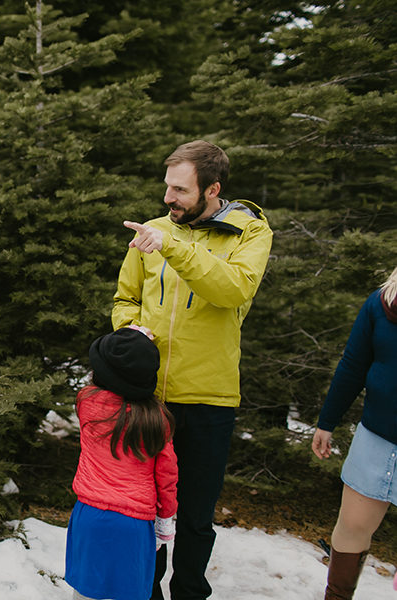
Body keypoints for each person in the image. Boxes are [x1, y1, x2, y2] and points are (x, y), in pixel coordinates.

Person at [112, 140, 273, 600]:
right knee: (145, 508)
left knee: (195, 513)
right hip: (148, 396)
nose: (168, 199)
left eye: (180, 190)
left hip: (208, 398)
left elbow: (232, 290)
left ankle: (188, 592)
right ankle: (144, 591)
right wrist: (131, 335)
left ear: (212, 189)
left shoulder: (249, 232)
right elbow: (126, 297)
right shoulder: (153, 230)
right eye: (167, 187)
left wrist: (173, 247)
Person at [65, 327, 178, 600]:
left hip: (89, 515)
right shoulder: (157, 420)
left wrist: (127, 340)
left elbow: (105, 383)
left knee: (86, 593)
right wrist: (165, 519)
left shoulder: (87, 402)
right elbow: (167, 474)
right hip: (134, 523)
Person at [311, 266, 397, 599]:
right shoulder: (381, 303)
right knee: (351, 529)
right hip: (375, 439)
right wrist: (326, 422)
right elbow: (353, 365)